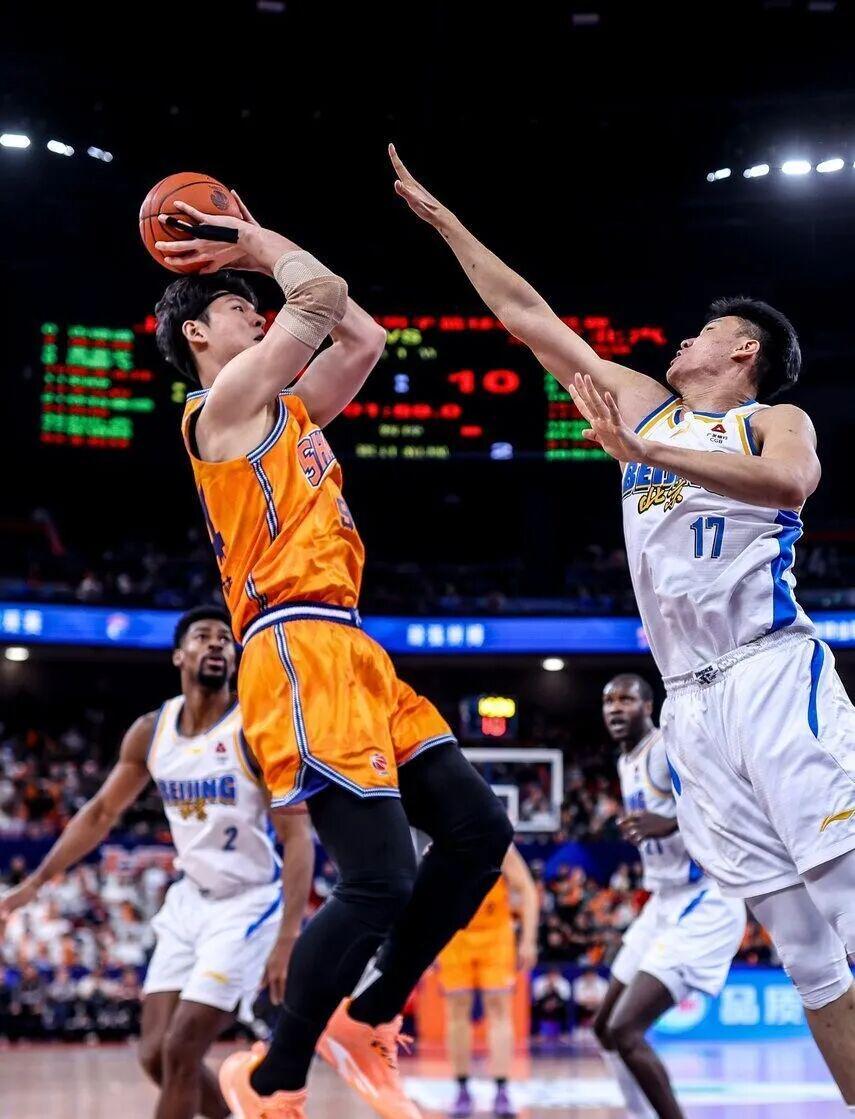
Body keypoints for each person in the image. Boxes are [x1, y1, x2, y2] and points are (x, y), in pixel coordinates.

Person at [388, 143, 855, 1109]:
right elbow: (528, 317)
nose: (680, 340)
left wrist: (645, 453)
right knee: (807, 957)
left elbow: (787, 484)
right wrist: (448, 226)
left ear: (744, 353)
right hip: (690, 706)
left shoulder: (771, 420)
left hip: (772, 673)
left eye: (703, 332)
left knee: (849, 908)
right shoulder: (643, 406)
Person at [152, 193, 513, 1119]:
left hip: (352, 644)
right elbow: (315, 299)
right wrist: (254, 241)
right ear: (196, 333)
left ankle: (369, 1015)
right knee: (380, 878)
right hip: (293, 643)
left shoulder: (287, 411)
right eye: (237, 307)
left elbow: (361, 334)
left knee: (477, 831)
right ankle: (273, 1077)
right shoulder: (223, 406)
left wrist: (262, 253)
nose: (256, 313)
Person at [0, 605, 314, 1119]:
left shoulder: (254, 731)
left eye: (224, 639)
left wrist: (287, 938)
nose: (216, 644)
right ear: (178, 656)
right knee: (154, 1055)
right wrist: (34, 884)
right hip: (189, 902)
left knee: (182, 1048)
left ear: (235, 658)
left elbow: (298, 838)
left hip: (247, 903)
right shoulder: (152, 732)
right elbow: (100, 813)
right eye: (203, 637)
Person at [593, 674, 744, 1118]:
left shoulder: (666, 748)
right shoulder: (626, 761)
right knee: (604, 1028)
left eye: (626, 699)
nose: (615, 708)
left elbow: (726, 798)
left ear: (648, 707)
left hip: (705, 902)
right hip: (664, 902)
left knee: (626, 1030)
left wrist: (671, 823)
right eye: (608, 700)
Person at [436, 845, 538, 1118]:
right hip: (454, 934)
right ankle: (461, 1089)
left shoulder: (497, 841)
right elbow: (427, 894)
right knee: (457, 1010)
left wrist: (528, 940)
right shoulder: (442, 840)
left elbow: (527, 890)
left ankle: (502, 1089)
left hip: (496, 935)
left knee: (498, 1009)